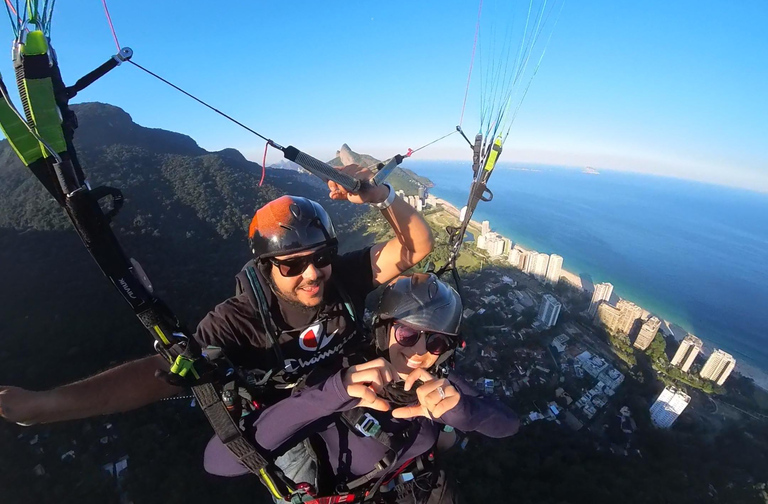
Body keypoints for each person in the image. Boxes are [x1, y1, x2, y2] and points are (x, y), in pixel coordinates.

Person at [0, 155, 433, 428]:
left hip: (355, 400)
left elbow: (416, 248)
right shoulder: (239, 320)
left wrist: (382, 196)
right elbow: (156, 375)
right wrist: (48, 405)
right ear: (266, 268)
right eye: (292, 264)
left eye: (320, 257)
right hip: (296, 418)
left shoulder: (342, 276)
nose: (312, 274)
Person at [205, 273, 520, 503]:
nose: (420, 350)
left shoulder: (441, 384)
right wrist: (333, 394)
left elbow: (508, 424)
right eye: (408, 334)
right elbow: (220, 462)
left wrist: (467, 413)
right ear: (383, 329)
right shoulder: (341, 377)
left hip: (422, 491)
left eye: (437, 341)